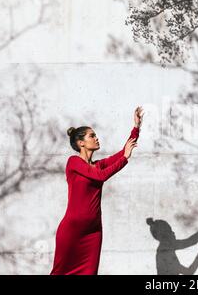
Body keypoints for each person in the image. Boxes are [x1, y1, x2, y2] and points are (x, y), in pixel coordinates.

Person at [50, 106, 144, 275]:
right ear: (81, 143)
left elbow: (124, 151)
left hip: (93, 232)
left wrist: (136, 128)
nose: (96, 138)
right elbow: (100, 176)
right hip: (72, 230)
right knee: (60, 272)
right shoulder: (74, 162)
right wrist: (124, 159)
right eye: (92, 136)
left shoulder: (98, 165)